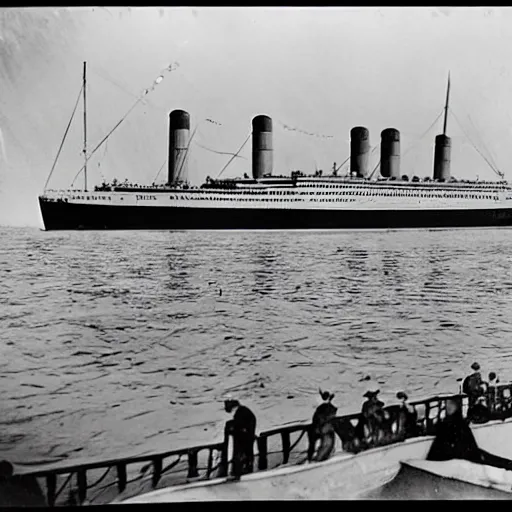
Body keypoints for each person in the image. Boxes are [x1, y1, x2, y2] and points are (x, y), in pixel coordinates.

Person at [427, 397, 483, 463]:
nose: (448, 407)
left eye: (451, 404)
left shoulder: (460, 425)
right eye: (447, 403)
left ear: (457, 405)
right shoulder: (445, 425)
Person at [223, 397, 257, 480]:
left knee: (242, 456)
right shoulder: (244, 411)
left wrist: (231, 430)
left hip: (243, 440)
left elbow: (240, 427)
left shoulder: (241, 413)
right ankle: (244, 470)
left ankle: (241, 471)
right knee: (246, 455)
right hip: (247, 438)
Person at [308, 389, 338, 462]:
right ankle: (320, 457)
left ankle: (314, 458)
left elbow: (317, 419)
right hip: (326, 428)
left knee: (320, 444)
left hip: (321, 428)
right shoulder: (330, 408)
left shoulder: (321, 408)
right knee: (328, 444)